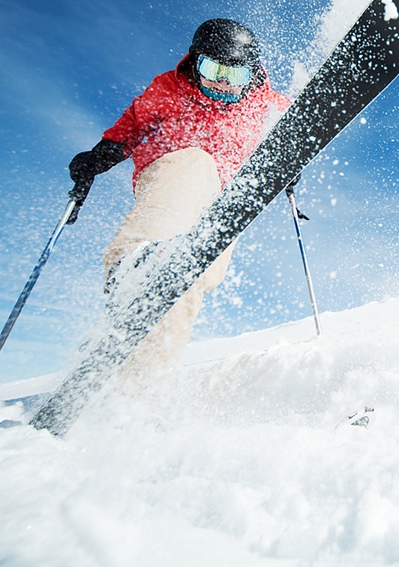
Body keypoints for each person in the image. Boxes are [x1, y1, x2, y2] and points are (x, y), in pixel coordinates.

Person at [67, 19, 291, 388]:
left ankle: (138, 389)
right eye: (213, 69)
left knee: (189, 278)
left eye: (233, 74)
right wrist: (98, 158)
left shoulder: (269, 106)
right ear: (194, 62)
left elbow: (290, 137)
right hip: (171, 175)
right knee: (195, 166)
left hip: (224, 201)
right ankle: (132, 264)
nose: (222, 83)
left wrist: (287, 164)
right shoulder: (169, 89)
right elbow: (130, 128)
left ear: (251, 73)